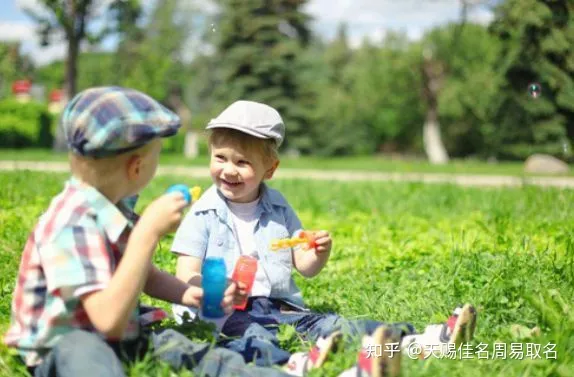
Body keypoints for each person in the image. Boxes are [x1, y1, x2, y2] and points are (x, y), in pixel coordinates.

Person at [171, 100, 478, 377]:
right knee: (255, 338)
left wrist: (317, 253)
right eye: (220, 158)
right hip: (227, 315)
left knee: (331, 324)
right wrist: (214, 289)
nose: (228, 170)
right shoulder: (202, 214)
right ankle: (292, 364)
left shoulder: (278, 208)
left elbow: (304, 266)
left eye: (242, 162)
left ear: (270, 168)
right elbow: (186, 275)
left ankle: (419, 341)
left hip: (277, 306)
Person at [3, 87, 295, 377]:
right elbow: (106, 320)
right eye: (157, 156)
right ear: (137, 167)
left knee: (180, 347)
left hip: (118, 331)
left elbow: (146, 275)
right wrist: (147, 233)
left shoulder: (115, 208)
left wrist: (190, 294)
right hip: (65, 344)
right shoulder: (73, 223)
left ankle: (285, 369)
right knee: (88, 356)